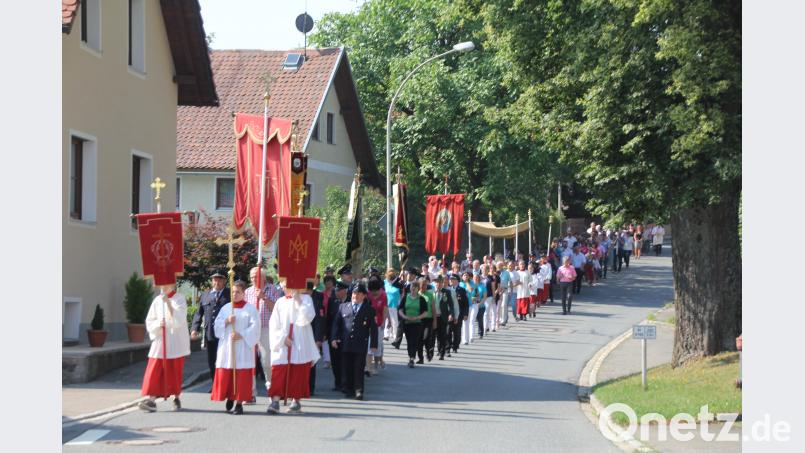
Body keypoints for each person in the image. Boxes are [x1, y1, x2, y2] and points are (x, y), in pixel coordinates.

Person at [266, 288, 321, 415]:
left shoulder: (306, 299)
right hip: (283, 342)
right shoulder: (280, 302)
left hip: (300, 340)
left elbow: (307, 318)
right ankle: (275, 400)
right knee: (279, 370)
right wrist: (282, 338)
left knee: (298, 370)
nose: (288, 288)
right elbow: (274, 323)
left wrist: (297, 300)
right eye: (285, 285)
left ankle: (296, 400)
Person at [211, 281, 260, 415]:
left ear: (243, 293)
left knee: (241, 376)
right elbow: (216, 326)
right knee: (228, 373)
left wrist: (242, 335)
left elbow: (256, 328)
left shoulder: (250, 309)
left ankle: (239, 403)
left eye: (238, 292)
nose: (235, 294)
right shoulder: (226, 308)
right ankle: (229, 397)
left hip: (243, 347)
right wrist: (227, 321)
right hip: (228, 346)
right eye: (233, 292)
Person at [138, 286, 190, 412]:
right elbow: (150, 320)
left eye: (166, 284)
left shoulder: (180, 299)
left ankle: (176, 397)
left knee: (174, 370)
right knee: (155, 369)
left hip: (175, 340)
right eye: (162, 284)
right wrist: (157, 324)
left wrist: (168, 304)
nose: (163, 287)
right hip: (161, 339)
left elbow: (180, 319)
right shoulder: (157, 300)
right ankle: (151, 400)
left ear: (172, 284)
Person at [330, 284, 378, 400]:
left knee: (359, 367)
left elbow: (374, 328)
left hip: (360, 342)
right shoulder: (343, 307)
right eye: (354, 293)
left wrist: (374, 345)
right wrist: (334, 338)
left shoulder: (369, 309)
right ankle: (349, 388)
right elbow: (336, 324)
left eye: (358, 294)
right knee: (347, 367)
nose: (355, 296)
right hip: (346, 342)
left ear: (364, 296)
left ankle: (358, 390)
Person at [190, 272, 230, 390]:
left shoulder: (229, 295)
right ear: (212, 281)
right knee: (212, 361)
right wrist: (194, 329)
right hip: (210, 334)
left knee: (223, 360)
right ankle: (215, 385)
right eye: (214, 280)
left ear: (224, 281)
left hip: (224, 333)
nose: (217, 282)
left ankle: (224, 385)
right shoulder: (205, 295)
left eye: (219, 280)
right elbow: (199, 313)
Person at [244, 268, 275, 403]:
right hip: (251, 329)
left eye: (255, 276)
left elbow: (276, 308)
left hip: (266, 328)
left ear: (263, 277)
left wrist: (264, 297)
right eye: (251, 277)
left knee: (267, 361)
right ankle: (250, 392)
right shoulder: (247, 292)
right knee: (249, 361)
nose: (253, 279)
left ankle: (272, 389)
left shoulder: (273, 289)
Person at [398, 281, 429, 367]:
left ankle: (412, 358)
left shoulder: (421, 299)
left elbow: (425, 312)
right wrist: (404, 316)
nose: (412, 290)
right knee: (409, 340)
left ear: (418, 289)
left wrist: (417, 317)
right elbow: (400, 309)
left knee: (414, 340)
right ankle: (410, 355)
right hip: (407, 323)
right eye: (411, 288)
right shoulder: (405, 298)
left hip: (417, 323)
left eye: (414, 288)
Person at [326, 280, 347, 391]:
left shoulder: (349, 301)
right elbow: (328, 318)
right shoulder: (332, 300)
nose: (336, 292)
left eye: (338, 290)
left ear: (344, 291)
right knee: (335, 360)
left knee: (344, 360)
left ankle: (344, 383)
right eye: (336, 290)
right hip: (333, 335)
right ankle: (337, 382)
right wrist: (326, 334)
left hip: (345, 335)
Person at [307, 281, 326, 396]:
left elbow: (320, 320)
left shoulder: (317, 298)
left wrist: (318, 339)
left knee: (311, 363)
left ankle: (310, 387)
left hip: (312, 335)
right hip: (300, 335)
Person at [366, 276, 388, 373]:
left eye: (376, 291)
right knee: (369, 346)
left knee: (378, 346)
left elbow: (385, 310)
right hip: (369, 324)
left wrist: (383, 322)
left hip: (379, 324)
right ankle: (369, 367)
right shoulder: (368, 295)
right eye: (372, 291)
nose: (374, 293)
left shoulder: (383, 295)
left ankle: (377, 363)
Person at [433, 276, 455, 360]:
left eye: (440, 282)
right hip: (434, 317)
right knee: (435, 336)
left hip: (443, 317)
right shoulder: (432, 292)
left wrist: (451, 314)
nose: (438, 284)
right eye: (437, 282)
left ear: (442, 283)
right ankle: (437, 350)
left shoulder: (447, 292)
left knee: (442, 335)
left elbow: (451, 304)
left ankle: (442, 353)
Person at [416, 277, 437, 362]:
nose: (423, 286)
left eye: (425, 285)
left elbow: (433, 308)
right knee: (419, 339)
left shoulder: (430, 294)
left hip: (428, 319)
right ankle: (420, 358)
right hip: (419, 320)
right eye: (422, 284)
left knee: (426, 338)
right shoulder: (416, 294)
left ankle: (429, 352)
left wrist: (435, 321)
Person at [448, 274, 468, 353]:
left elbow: (466, 304)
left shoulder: (462, 290)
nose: (451, 281)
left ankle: (455, 346)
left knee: (457, 331)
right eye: (450, 279)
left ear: (457, 281)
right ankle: (448, 346)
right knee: (448, 330)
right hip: (450, 313)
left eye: (453, 279)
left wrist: (466, 314)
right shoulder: (448, 289)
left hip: (459, 313)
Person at [384, 269, 402, 341]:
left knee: (394, 321)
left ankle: (395, 335)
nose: (388, 279)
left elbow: (401, 294)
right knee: (386, 320)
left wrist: (399, 304)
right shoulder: (385, 283)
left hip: (394, 305)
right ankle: (386, 334)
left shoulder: (398, 284)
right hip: (386, 304)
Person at [497, 260, 512, 327]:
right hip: (498, 290)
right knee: (499, 305)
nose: (499, 267)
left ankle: (504, 320)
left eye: (501, 265)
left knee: (504, 305)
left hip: (505, 290)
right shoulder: (496, 273)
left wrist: (511, 291)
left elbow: (510, 281)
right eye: (498, 266)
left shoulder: (506, 273)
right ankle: (499, 319)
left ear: (503, 266)